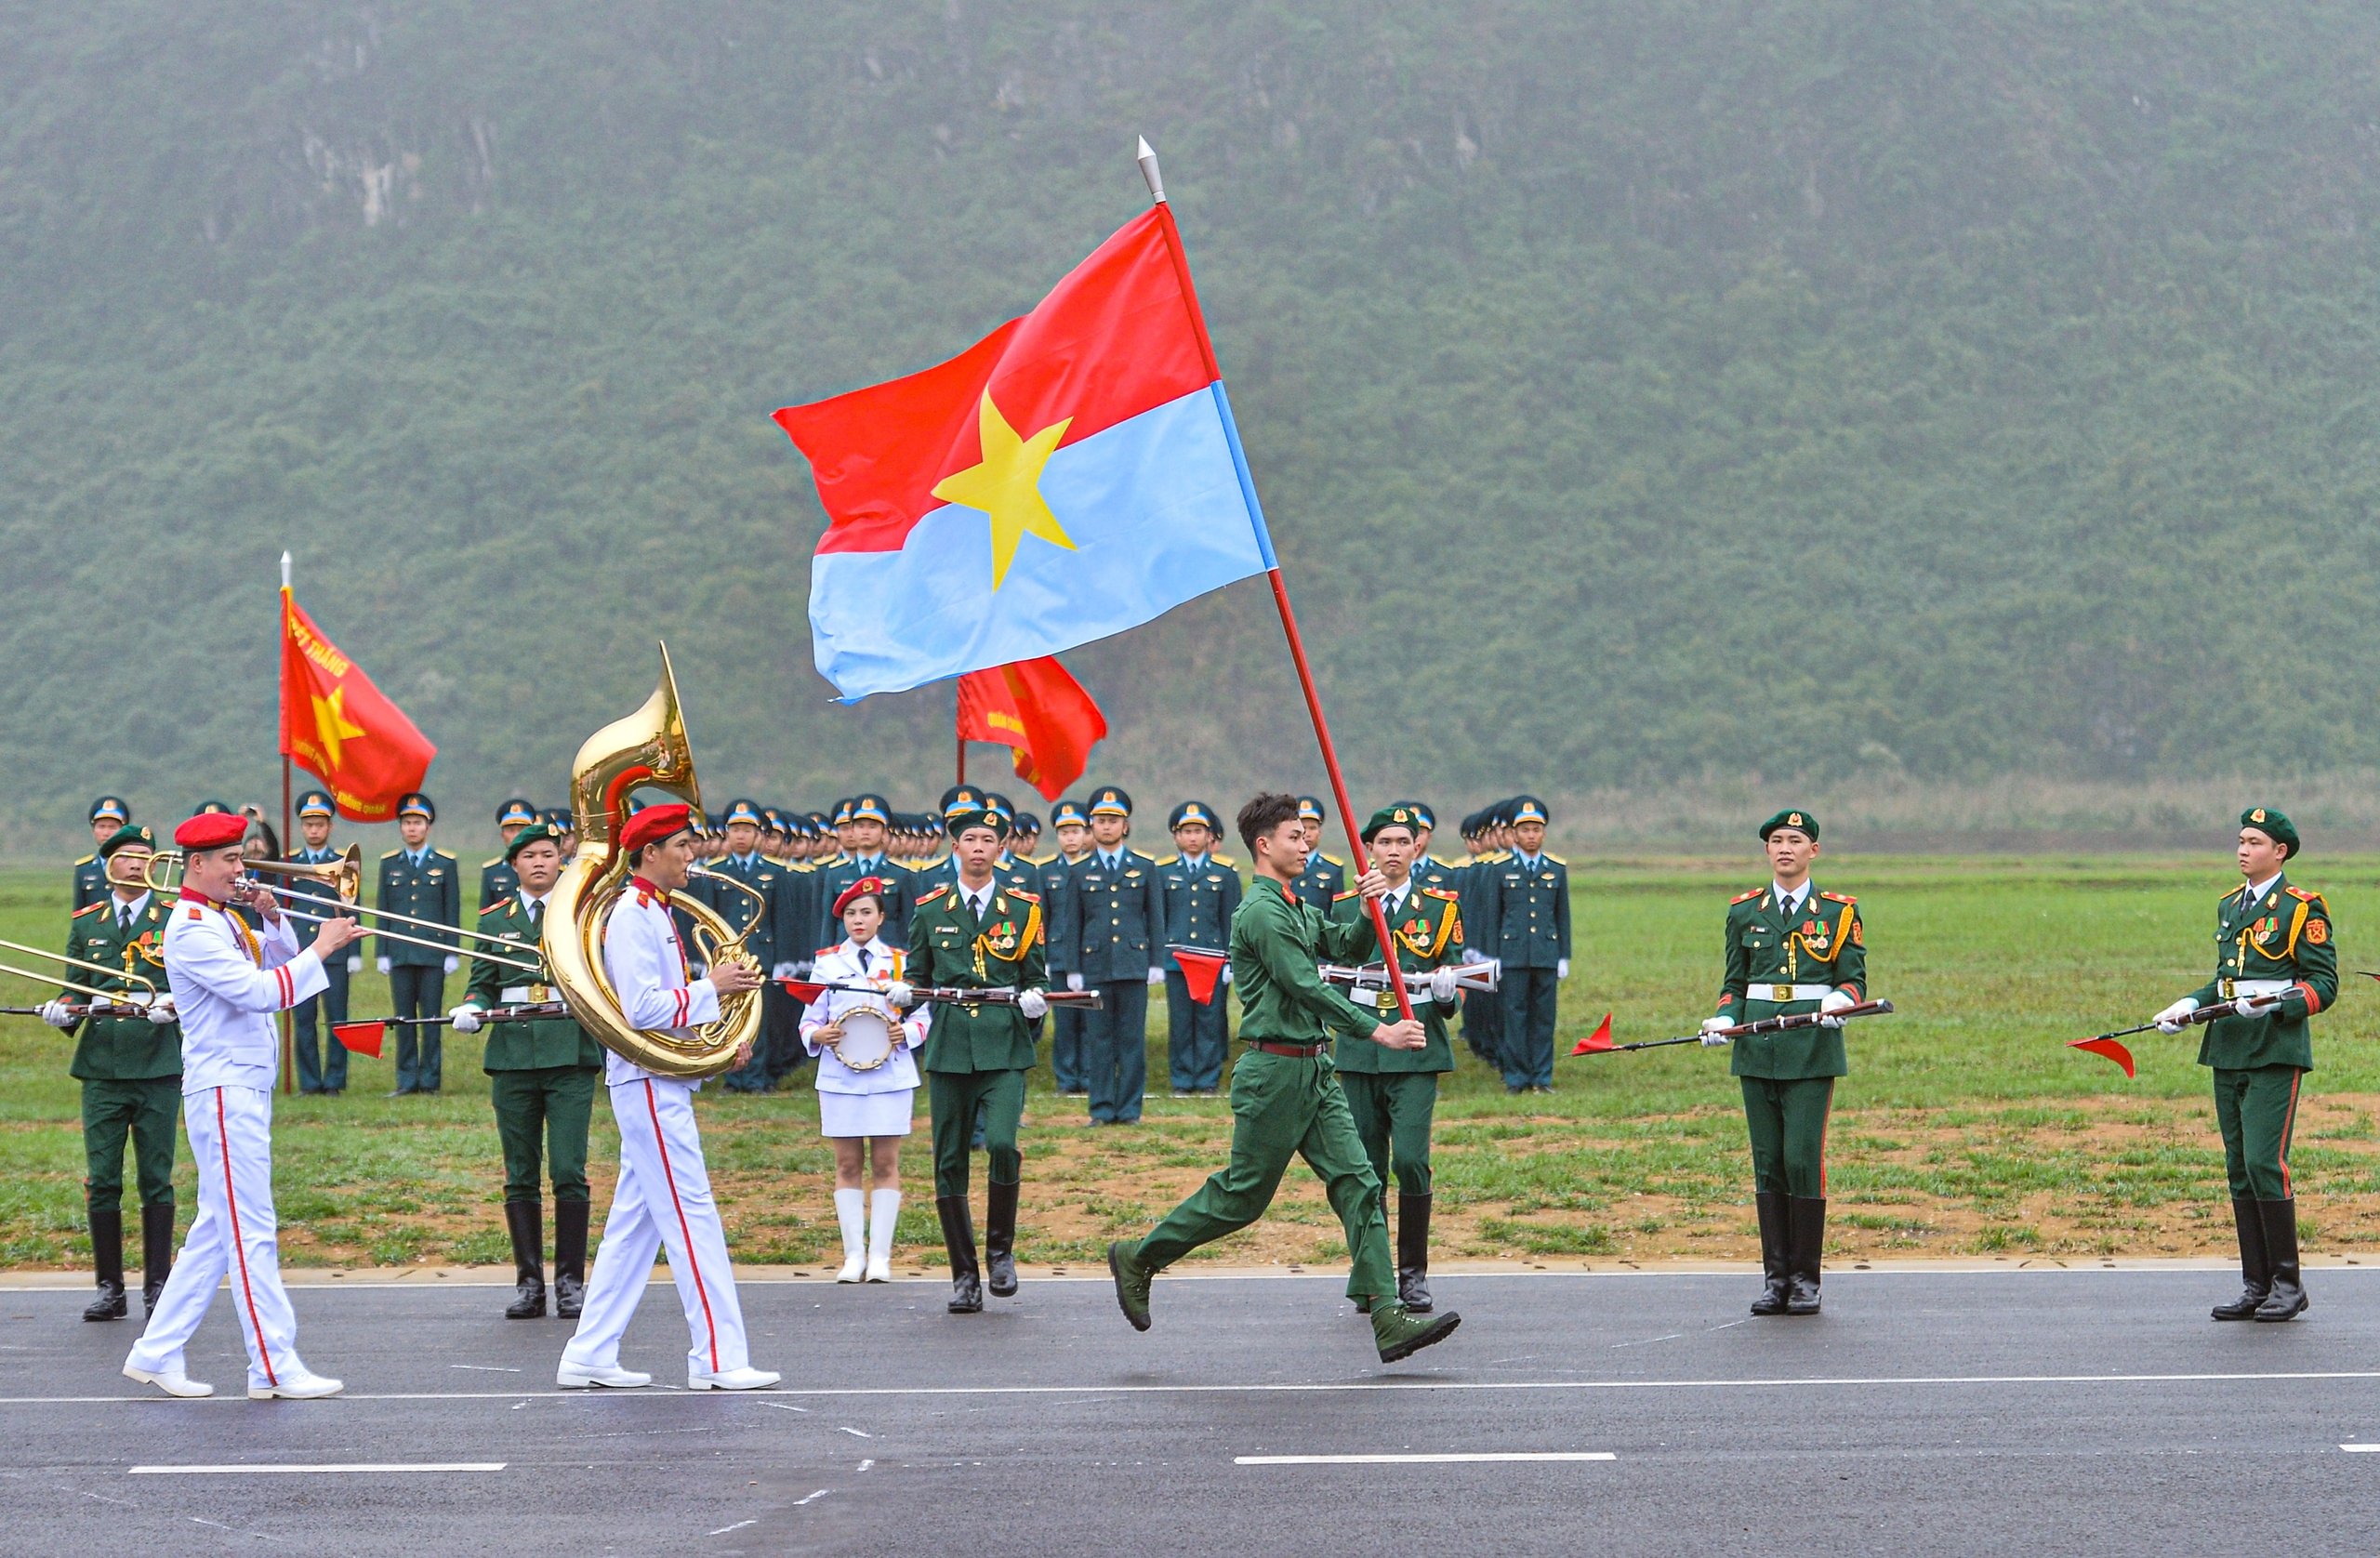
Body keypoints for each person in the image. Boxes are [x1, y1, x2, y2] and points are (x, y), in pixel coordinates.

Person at [1107, 793, 1461, 1363]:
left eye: (1306, 835)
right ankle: (1140, 1256)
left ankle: (1387, 1316)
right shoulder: (1262, 913)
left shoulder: (1295, 905)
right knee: (1242, 1197)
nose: (1306, 844)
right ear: (1265, 845)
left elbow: (1344, 945)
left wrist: (1373, 910)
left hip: (1315, 1070)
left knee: (1360, 1184)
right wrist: (1380, 1032)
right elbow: (1306, 986)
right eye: (1295, 836)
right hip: (1274, 1072)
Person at [123, 811, 362, 1399]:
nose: (242, 868)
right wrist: (323, 947)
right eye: (230, 860)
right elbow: (262, 993)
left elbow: (269, 965)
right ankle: (272, 1365)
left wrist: (276, 920)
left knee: (214, 1230)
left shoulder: (222, 917)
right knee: (252, 1230)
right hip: (225, 1090)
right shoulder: (192, 927)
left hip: (241, 1085)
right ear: (197, 865)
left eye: (241, 857)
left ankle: (155, 1352)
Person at [556, 802, 777, 1392]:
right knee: (691, 1215)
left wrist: (721, 1040)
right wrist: (715, 987)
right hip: (648, 1082)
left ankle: (589, 1352)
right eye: (681, 845)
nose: (691, 854)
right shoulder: (632, 914)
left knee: (636, 1226)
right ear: (649, 853)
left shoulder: (656, 912)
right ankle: (717, 1357)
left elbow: (665, 1010)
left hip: (659, 1079)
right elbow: (642, 1009)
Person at [2148, 807, 2335, 1324]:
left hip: (2274, 1049)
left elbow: (2324, 986)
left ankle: (2287, 1283)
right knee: (2237, 1168)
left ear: (2279, 852)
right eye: (2240, 839)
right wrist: (2188, 1005)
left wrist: (2277, 1002)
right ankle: (2256, 1284)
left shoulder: (2302, 908)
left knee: (2262, 1162)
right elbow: (2225, 982)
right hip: (2228, 1047)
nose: (2242, 849)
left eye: (2254, 841)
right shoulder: (2230, 906)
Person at [1699, 809, 1864, 1316]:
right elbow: (1735, 983)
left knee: (1800, 1158)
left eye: (1795, 840)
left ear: (1814, 850)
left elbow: (1855, 979)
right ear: (1767, 851)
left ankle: (1806, 1279)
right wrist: (1722, 1019)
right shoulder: (1744, 911)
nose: (1785, 848)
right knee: (1767, 1163)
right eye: (1776, 840)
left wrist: (1841, 1002)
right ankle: (1775, 1280)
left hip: (1811, 1047)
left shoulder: (1838, 912)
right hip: (1756, 1047)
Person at [449, 822, 603, 1321]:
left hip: (569, 1054)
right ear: (513, 865)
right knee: (519, 1173)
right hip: (513, 1056)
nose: (539, 862)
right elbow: (482, 981)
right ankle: (530, 1283)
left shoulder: (580, 916)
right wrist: (471, 1008)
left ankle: (571, 1282)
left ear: (561, 860)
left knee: (567, 1170)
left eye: (547, 854)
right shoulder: (495, 920)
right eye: (529, 856)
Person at [903, 802, 1050, 1313]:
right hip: (949, 1051)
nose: (980, 849)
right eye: (970, 841)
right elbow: (917, 978)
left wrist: (1034, 1005)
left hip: (1004, 1045)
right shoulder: (929, 909)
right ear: (956, 848)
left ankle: (1001, 1254)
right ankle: (964, 1274)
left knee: (1005, 1144)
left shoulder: (1024, 909)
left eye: (989, 842)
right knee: (949, 1160)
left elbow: (1037, 978)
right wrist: (905, 995)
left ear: (1001, 849)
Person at [1329, 806, 1464, 1312]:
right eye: (1383, 842)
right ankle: (1371, 1275)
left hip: (1415, 1052)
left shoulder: (1439, 908)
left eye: (1402, 842)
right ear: (1369, 850)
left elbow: (1453, 992)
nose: (1392, 850)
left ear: (1416, 849)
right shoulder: (1346, 908)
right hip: (1362, 1052)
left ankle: (1412, 1275)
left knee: (1410, 1161)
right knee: (1363, 1166)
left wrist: (1448, 991)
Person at [44, 823, 180, 1321]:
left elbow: (193, 980)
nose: (138, 863)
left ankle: (158, 1286)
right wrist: (63, 1009)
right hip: (101, 1066)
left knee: (156, 1177)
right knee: (102, 1178)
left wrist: (173, 1004)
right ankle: (110, 1287)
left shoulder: (174, 917)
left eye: (146, 855)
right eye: (127, 856)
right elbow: (73, 984)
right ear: (109, 866)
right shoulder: (87, 922)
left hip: (157, 1063)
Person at [800, 878, 929, 1283]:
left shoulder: (900, 961)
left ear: (881, 917)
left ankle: (881, 1257)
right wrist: (815, 1035)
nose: (858, 920)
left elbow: (924, 1014)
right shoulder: (826, 963)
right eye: (851, 914)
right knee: (847, 1163)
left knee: (886, 1162)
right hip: (840, 1077)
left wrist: (905, 1034)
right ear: (842, 919)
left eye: (866, 912)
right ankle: (853, 1254)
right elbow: (809, 1017)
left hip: (890, 1075)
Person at [1054, 786, 1163, 1126]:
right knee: (1099, 1040)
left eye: (1113, 821)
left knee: (1131, 1040)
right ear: (1091, 826)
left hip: (1133, 966)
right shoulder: (1079, 870)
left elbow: (1155, 919)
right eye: (1100, 821)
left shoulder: (1144, 867)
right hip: (1095, 966)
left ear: (1125, 826)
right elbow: (1073, 923)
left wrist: (1157, 961)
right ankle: (1101, 1108)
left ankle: (1129, 1109)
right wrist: (1073, 968)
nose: (1106, 827)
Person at [1470, 796, 1569, 1093]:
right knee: (1514, 1017)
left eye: (1536, 830)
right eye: (1524, 830)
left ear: (1544, 833)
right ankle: (1516, 1077)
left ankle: (1542, 1076)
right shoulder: (1500, 868)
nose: (1530, 835)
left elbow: (1562, 915)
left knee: (1543, 1018)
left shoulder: (1556, 867)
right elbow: (1493, 915)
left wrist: (1564, 955)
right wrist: (1493, 956)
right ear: (1513, 834)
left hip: (1545, 953)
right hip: (1511, 955)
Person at [703, 799, 799, 1094]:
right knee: (730, 1019)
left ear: (759, 835)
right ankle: (733, 1078)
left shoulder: (775, 871)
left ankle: (757, 1077)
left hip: (761, 954)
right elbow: (707, 918)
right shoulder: (715, 870)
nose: (740, 835)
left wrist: (784, 960)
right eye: (734, 829)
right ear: (726, 834)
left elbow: (784, 919)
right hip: (726, 958)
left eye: (747, 829)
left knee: (760, 1020)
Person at [377, 791, 459, 1095]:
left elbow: (451, 909)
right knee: (404, 1018)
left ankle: (430, 1080)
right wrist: (382, 951)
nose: (412, 828)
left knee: (432, 1018)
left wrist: (451, 950)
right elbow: (383, 909)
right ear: (400, 827)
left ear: (428, 827)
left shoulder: (445, 863)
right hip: (400, 952)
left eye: (418, 822)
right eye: (407, 822)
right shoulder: (389, 863)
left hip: (432, 952)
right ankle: (407, 1079)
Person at [1157, 800, 1240, 1096]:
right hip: (1176, 959)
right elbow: (1159, 918)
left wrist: (1231, 961)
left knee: (1209, 1020)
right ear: (1176, 836)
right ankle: (1182, 1078)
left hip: (1211, 959)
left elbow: (1230, 918)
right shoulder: (1163, 872)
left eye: (1199, 831)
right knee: (1180, 1020)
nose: (1193, 837)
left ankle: (1207, 1078)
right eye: (1186, 831)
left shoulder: (1225, 873)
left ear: (1210, 836)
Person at [283, 789, 351, 1095]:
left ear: (330, 827)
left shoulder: (343, 863)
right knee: (304, 1019)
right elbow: (280, 909)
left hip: (334, 952)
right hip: (300, 950)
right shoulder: (289, 863)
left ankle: (335, 1080)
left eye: (320, 824)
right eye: (308, 824)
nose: (314, 830)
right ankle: (309, 1082)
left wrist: (353, 950)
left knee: (337, 1018)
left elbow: (353, 909)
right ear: (301, 827)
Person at [813, 795, 912, 953]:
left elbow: (908, 924)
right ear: (852, 830)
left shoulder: (902, 874)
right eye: (860, 826)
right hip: (844, 954)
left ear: (884, 831)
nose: (866, 832)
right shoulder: (835, 873)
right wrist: (826, 955)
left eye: (872, 826)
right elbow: (828, 924)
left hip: (888, 956)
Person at [1040, 799, 1091, 1096]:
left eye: (1075, 831)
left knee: (1089, 1020)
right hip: (1059, 955)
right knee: (1065, 1021)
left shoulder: (1093, 867)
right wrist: (1044, 957)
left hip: (1090, 955)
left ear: (1086, 833)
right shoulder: (1046, 871)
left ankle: (1088, 1074)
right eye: (1064, 832)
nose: (1070, 838)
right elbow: (1042, 919)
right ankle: (1066, 1077)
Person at [479, 798, 540, 910]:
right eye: (511, 830)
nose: (516, 835)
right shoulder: (492, 871)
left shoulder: (545, 867)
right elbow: (486, 914)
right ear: (502, 835)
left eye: (521, 829)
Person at [73, 796, 132, 912]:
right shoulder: (84, 867)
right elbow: (78, 913)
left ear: (124, 830)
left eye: (112, 827)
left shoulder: (137, 864)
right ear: (93, 830)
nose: (106, 833)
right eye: (101, 827)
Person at [1289, 796, 1346, 909]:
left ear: (1320, 832)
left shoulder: (1333, 868)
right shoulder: (1283, 864)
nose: (1307, 833)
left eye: (1313, 828)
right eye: (1303, 828)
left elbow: (1337, 912)